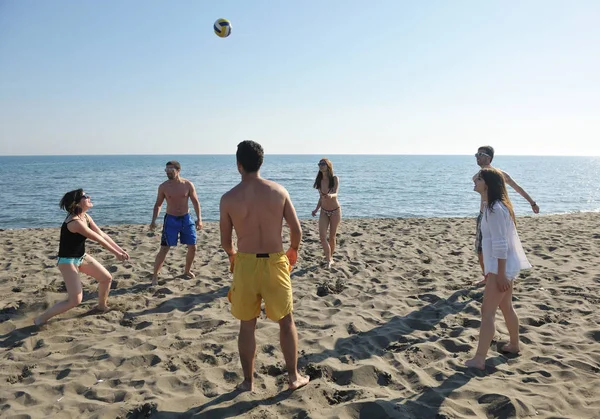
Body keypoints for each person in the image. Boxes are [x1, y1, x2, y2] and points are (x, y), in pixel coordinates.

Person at [219, 140, 310, 392]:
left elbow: (226, 242)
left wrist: (233, 256)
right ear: (261, 163)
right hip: (274, 260)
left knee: (247, 325)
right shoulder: (278, 191)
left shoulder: (228, 198)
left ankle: (248, 382)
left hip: (246, 263)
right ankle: (293, 377)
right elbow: (296, 229)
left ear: (239, 165)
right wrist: (293, 250)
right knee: (286, 321)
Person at [465, 167, 531, 370]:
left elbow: (501, 244)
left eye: (479, 179)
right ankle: (514, 345)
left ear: (489, 184)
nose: (474, 181)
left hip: (500, 267)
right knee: (506, 307)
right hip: (503, 266)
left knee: (487, 312)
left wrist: (501, 274)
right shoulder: (492, 206)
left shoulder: (494, 209)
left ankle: (479, 358)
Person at [34, 190, 130, 326]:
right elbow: (98, 239)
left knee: (106, 278)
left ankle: (101, 306)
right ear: (76, 203)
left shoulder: (85, 217)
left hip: (81, 257)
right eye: (85, 196)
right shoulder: (75, 222)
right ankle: (41, 319)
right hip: (67, 262)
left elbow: (101, 234)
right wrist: (116, 254)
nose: (89, 197)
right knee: (75, 300)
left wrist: (120, 250)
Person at [473, 146, 538, 284]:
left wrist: (532, 203)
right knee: (480, 249)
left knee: (501, 246)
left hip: (495, 214)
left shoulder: (498, 174)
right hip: (483, 214)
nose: (477, 157)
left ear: (488, 157)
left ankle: (500, 275)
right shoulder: (481, 175)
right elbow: (474, 179)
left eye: (480, 154)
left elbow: (517, 188)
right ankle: (487, 277)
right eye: (476, 154)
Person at [150, 161, 202, 286]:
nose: (168, 173)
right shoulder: (163, 186)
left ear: (178, 170)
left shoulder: (187, 184)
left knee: (193, 247)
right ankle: (155, 276)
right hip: (171, 219)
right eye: (166, 170)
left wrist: (199, 219)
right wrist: (153, 221)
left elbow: (195, 202)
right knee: (164, 248)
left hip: (186, 218)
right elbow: (158, 204)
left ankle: (187, 271)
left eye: (171, 170)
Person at [311, 158, 341, 268]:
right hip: (323, 211)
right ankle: (329, 259)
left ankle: (330, 258)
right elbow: (321, 198)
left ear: (328, 166)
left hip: (335, 211)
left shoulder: (335, 179)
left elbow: (335, 193)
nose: (320, 165)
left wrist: (330, 195)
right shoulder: (319, 181)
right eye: (319, 164)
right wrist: (316, 209)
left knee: (332, 236)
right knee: (322, 237)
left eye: (323, 164)